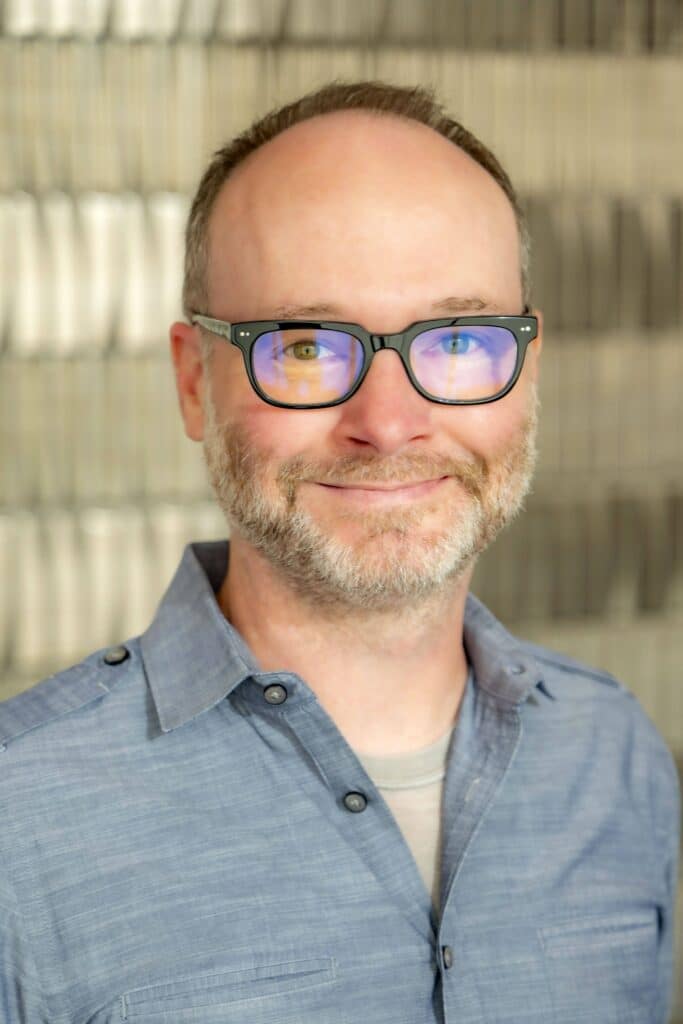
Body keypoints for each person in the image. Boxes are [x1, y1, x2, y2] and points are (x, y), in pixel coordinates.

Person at [0, 81, 679, 1024]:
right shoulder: (20, 819)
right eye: (307, 348)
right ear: (194, 382)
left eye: (456, 339)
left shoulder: (615, 759)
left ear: (527, 371)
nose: (389, 424)